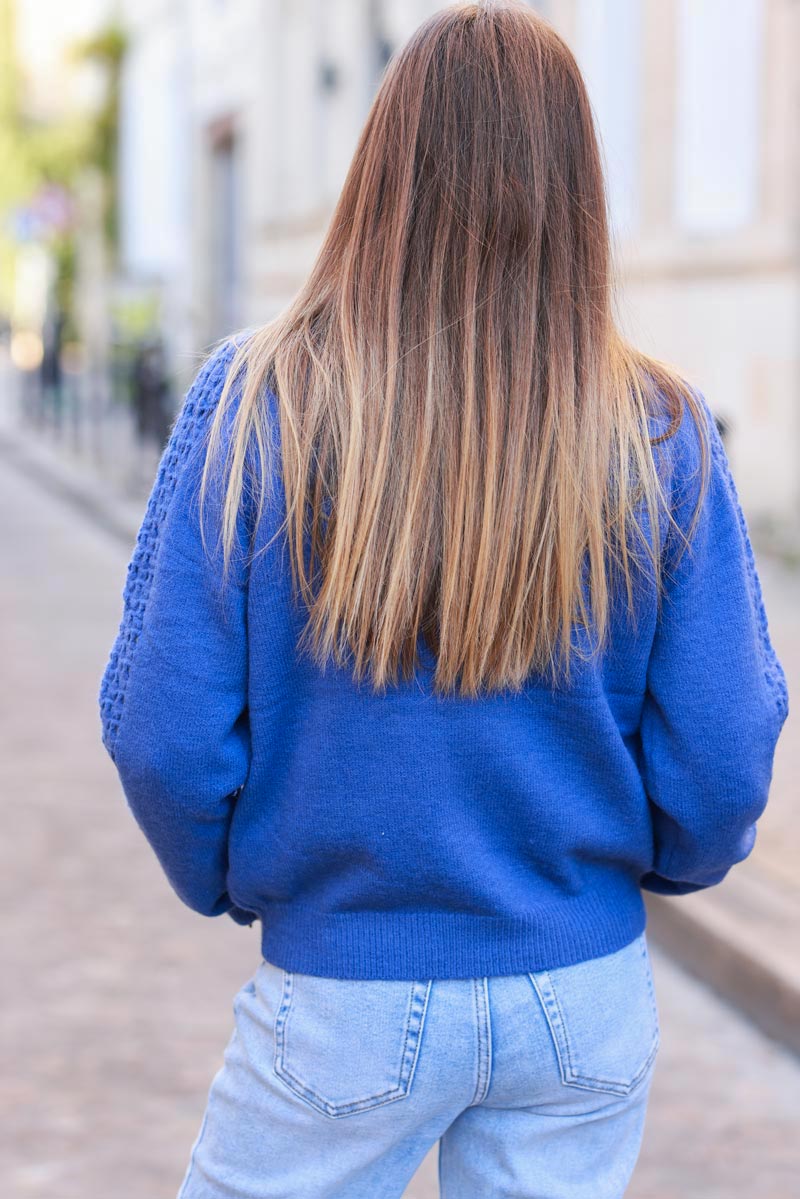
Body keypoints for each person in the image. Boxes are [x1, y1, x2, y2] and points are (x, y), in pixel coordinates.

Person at [97, 4, 788, 1197]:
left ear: (381, 170)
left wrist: (237, 874)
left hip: (340, 987)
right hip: (579, 990)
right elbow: (724, 748)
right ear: (576, 184)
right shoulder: (659, 432)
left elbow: (162, 728)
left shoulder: (254, 402)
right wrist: (628, 872)